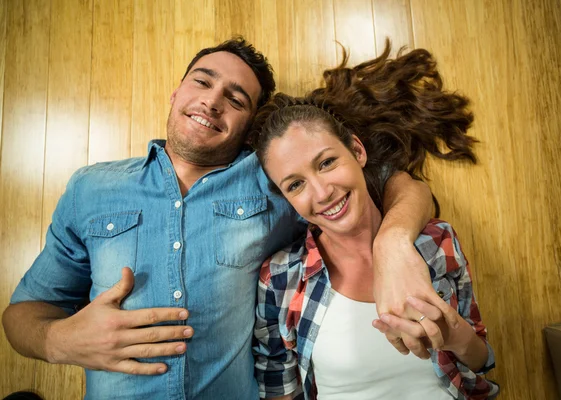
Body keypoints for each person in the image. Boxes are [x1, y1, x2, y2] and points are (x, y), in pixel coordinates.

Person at [2, 38, 449, 399]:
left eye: (235, 99)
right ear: (177, 93)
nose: (213, 101)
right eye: (202, 82)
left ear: (249, 125)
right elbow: (21, 314)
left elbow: (401, 186)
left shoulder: (278, 180)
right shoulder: (90, 188)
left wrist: (393, 243)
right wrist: (59, 342)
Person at [251, 41, 500, 399]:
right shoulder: (279, 278)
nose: (322, 193)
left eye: (326, 163)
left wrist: (451, 331)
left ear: (357, 151)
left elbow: (481, 360)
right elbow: (278, 389)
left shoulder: (436, 242)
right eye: (295, 184)